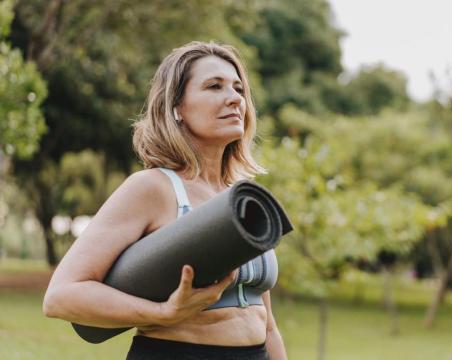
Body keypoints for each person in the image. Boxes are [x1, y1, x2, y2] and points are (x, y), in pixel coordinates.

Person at [42, 41, 287, 360]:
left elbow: (267, 326)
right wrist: (161, 312)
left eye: (238, 88)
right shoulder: (153, 188)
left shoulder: (241, 197)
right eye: (214, 86)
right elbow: (61, 296)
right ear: (176, 108)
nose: (235, 99)